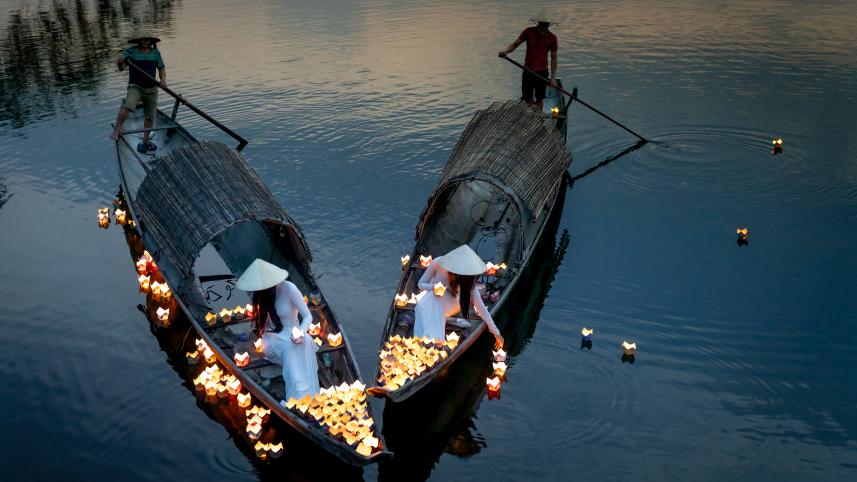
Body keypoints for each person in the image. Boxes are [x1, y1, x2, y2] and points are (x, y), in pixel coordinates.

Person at [236, 258, 320, 400]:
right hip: (272, 340)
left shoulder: (290, 289)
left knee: (305, 341)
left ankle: (311, 393)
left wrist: (300, 331)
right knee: (289, 348)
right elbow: (265, 327)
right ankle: (299, 396)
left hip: (295, 333)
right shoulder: (261, 295)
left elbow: (307, 316)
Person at [413, 245, 504, 350]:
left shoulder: (469, 282)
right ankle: (427, 337)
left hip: (453, 305)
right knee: (429, 300)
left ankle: (436, 341)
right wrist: (434, 287)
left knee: (435, 301)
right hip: (435, 299)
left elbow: (481, 308)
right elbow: (421, 284)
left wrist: (496, 332)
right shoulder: (438, 262)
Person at [111, 30, 167, 153]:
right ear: (139, 41)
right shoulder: (131, 52)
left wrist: (163, 80)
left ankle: (146, 140)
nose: (145, 42)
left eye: (148, 40)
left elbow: (161, 68)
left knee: (150, 116)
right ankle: (117, 130)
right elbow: (121, 68)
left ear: (151, 41)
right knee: (128, 106)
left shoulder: (156, 53)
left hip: (152, 88)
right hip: (136, 87)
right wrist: (120, 63)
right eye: (143, 40)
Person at [498, 12, 558, 110]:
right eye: (542, 23)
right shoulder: (528, 32)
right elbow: (515, 44)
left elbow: (554, 58)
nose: (544, 25)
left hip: (542, 72)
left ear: (549, 24)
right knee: (527, 98)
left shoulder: (552, 38)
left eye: (546, 23)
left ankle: (538, 118)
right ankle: (537, 114)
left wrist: (553, 78)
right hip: (528, 70)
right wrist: (506, 52)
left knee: (540, 98)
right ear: (538, 22)